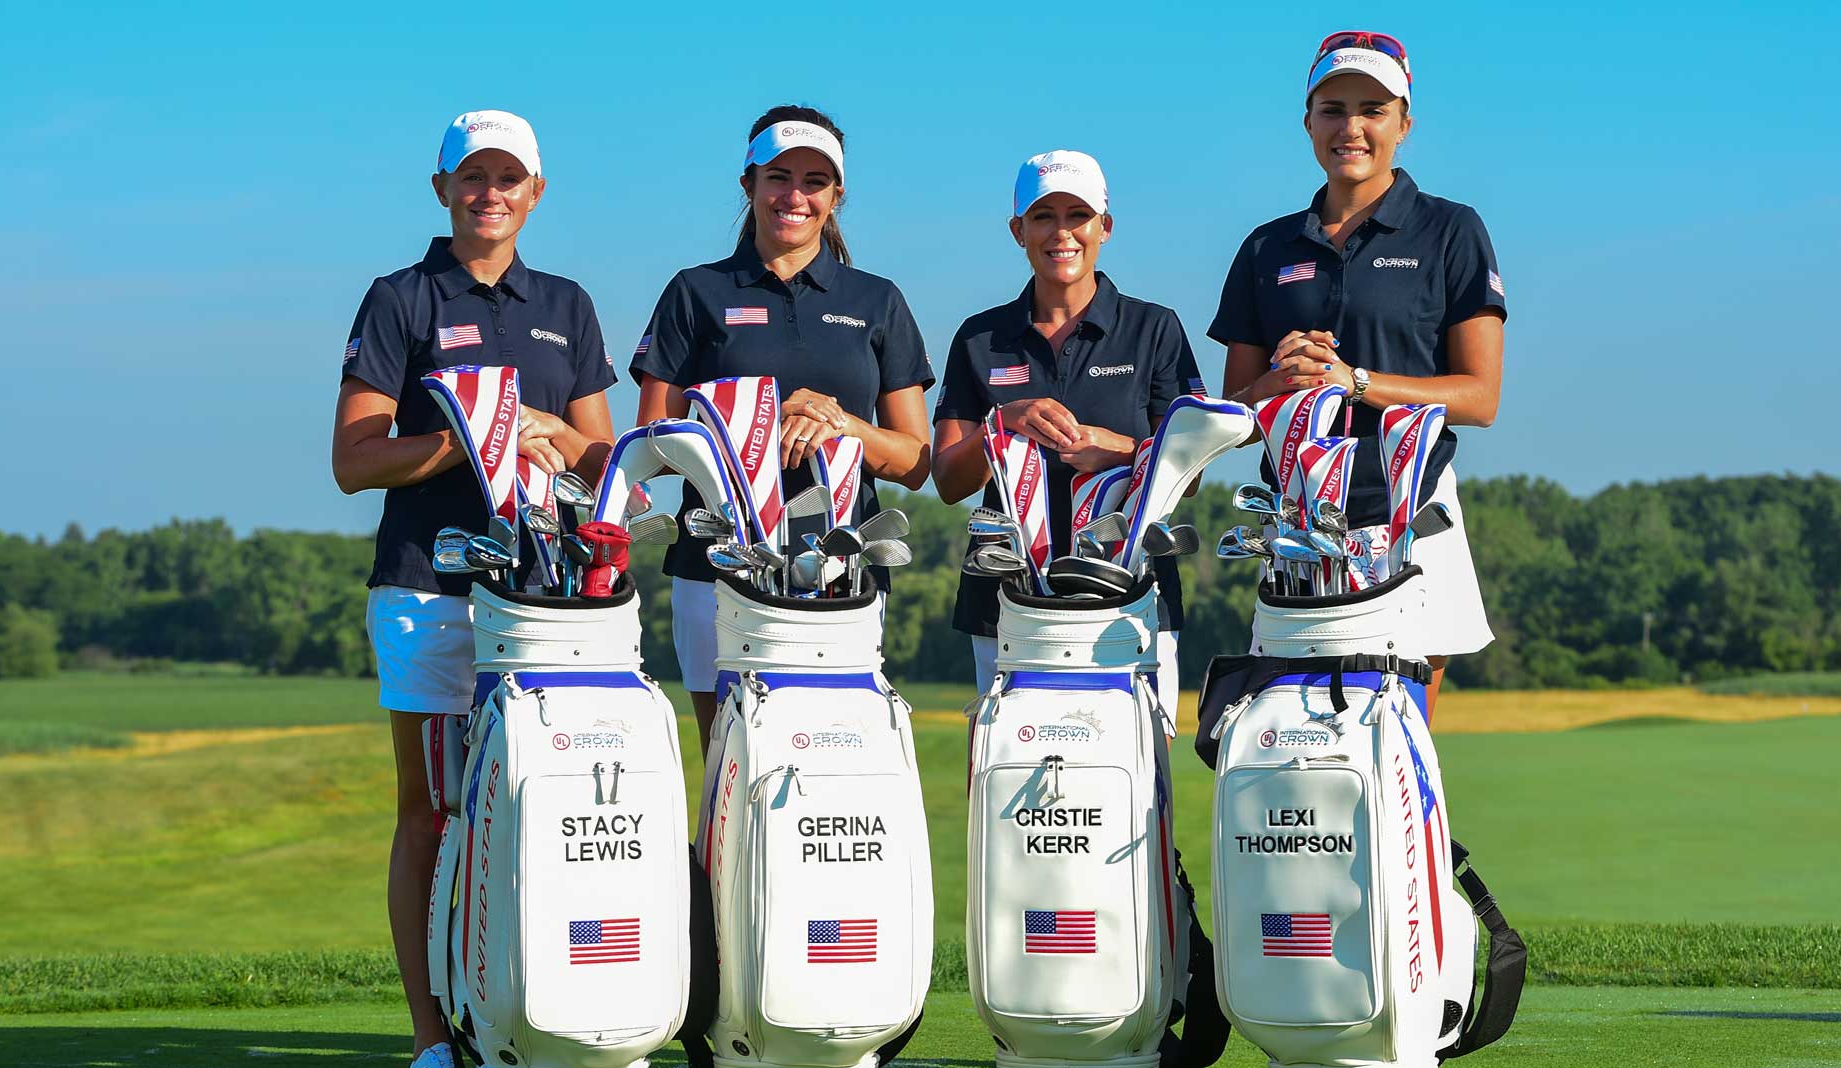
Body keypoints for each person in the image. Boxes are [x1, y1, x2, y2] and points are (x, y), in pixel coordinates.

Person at [330, 109, 617, 1068]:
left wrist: (534, 428)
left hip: (542, 600)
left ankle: (517, 1011)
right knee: (431, 810)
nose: (489, 193)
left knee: (536, 806)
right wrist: (464, 437)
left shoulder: (566, 305)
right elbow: (353, 462)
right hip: (424, 588)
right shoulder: (402, 298)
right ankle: (428, 1041)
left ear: (534, 193)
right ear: (442, 188)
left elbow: (597, 455)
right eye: (472, 177)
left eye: (508, 179)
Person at [1210, 31, 1506, 724]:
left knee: (1400, 744)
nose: (1352, 127)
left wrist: (1356, 381)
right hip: (1296, 525)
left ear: (1405, 123)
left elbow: (1480, 397)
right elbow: (1231, 410)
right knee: (1298, 735)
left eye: (1373, 108)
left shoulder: (1451, 231)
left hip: (1412, 511)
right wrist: (1279, 381)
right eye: (1333, 108)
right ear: (1307, 121)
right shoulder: (1266, 246)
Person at [631, 105, 934, 752]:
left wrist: (842, 424)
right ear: (749, 184)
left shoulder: (877, 300)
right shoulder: (695, 292)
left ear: (836, 195)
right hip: (715, 566)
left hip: (844, 570)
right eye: (778, 176)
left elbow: (914, 459)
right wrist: (753, 423)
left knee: (833, 760)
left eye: (814, 181)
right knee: (728, 768)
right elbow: (653, 441)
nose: (794, 195)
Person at [932, 150, 1204, 717]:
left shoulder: (1154, 328)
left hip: (1130, 589)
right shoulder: (979, 338)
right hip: (1005, 593)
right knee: (1000, 768)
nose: (1062, 233)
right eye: (1043, 216)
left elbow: (1193, 473)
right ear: (1018, 231)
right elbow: (949, 479)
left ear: (1104, 226)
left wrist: (1125, 451)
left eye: (1077, 215)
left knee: (1136, 775)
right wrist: (1002, 424)